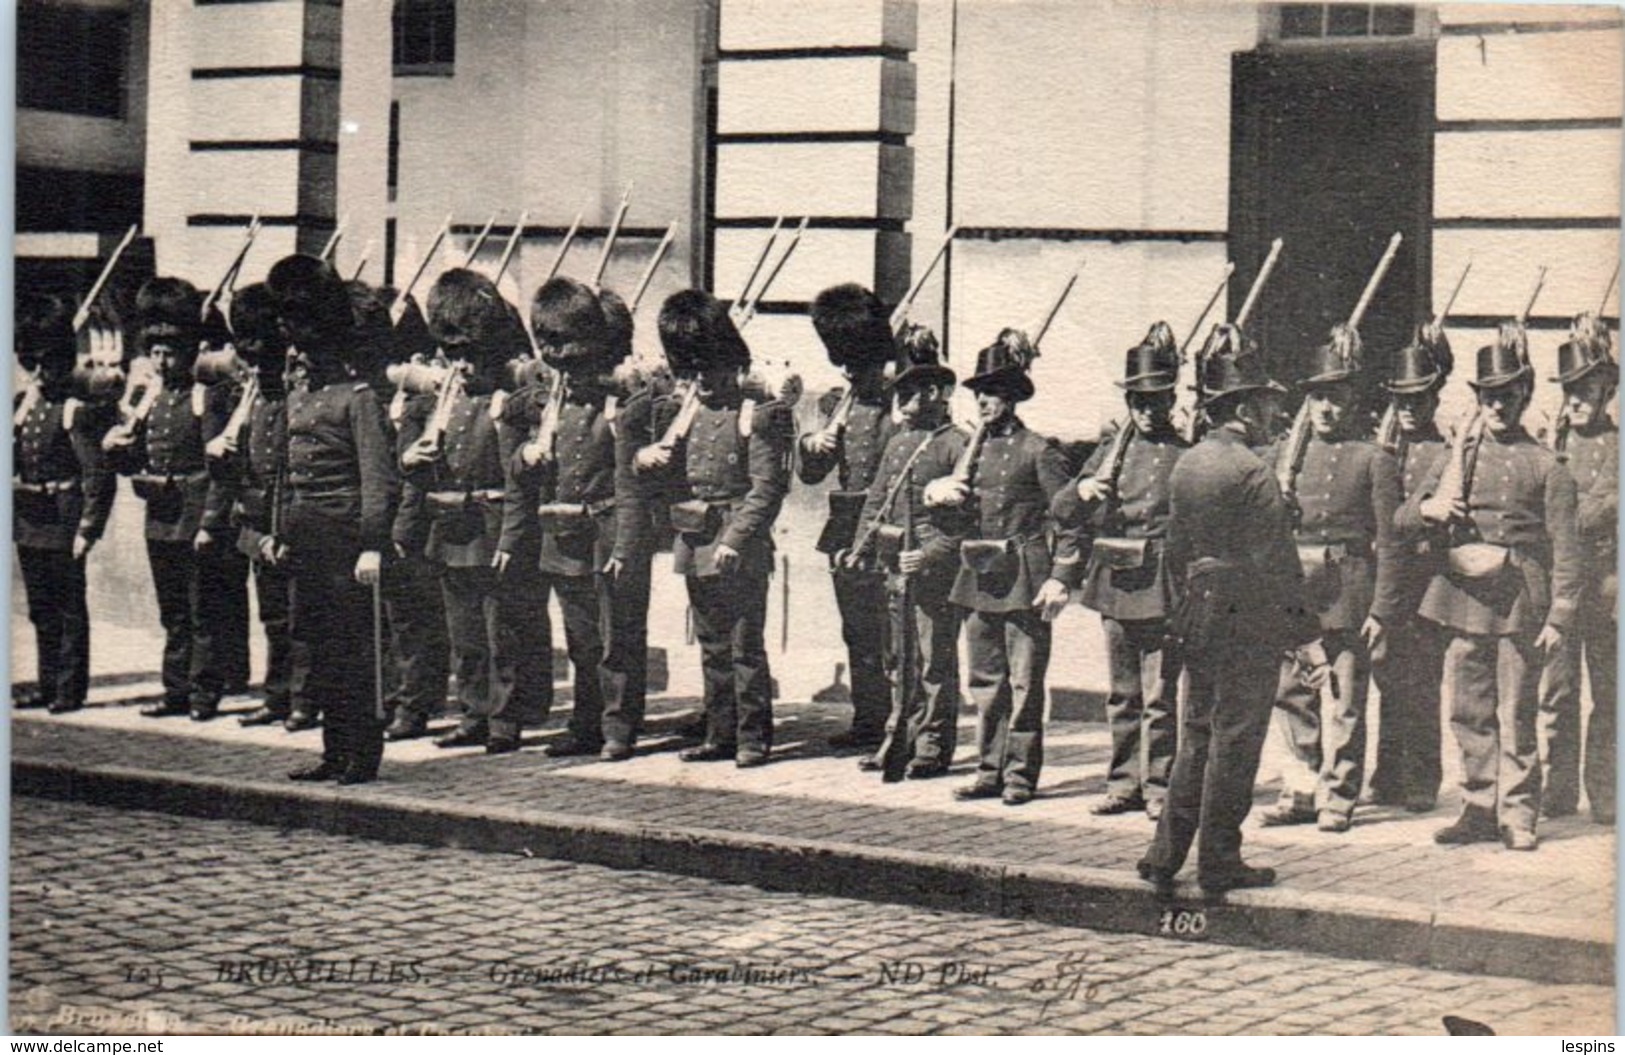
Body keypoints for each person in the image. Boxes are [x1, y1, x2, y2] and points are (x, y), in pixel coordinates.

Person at [1138, 325, 1326, 894]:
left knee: (1195, 733)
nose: (1274, 413)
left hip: (1197, 613)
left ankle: (1163, 856)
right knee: (1236, 739)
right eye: (1267, 404)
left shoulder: (1189, 463)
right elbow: (1278, 565)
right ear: (1244, 409)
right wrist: (1307, 639)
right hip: (1247, 618)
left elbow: (1174, 549)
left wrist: (1185, 607)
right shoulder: (1252, 471)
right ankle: (1220, 859)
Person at [1407, 322, 1581, 851]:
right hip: (1463, 598)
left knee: (1517, 710)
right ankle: (1479, 807)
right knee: (1467, 710)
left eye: (1507, 396)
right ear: (1478, 399)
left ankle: (1519, 813)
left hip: (1520, 600)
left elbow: (1566, 553)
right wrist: (1431, 507)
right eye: (1489, 397)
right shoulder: (1460, 454)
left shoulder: (1548, 466)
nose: (1498, 407)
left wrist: (1559, 617)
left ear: (1524, 395)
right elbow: (1409, 514)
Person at [636, 290, 793, 768]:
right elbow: (670, 479)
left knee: (746, 647)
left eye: (709, 371)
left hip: (736, 544)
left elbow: (767, 490)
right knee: (711, 645)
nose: (701, 381)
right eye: (693, 372)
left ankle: (752, 737)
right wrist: (645, 461)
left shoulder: (756, 415)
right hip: (696, 538)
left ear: (731, 368)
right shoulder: (685, 415)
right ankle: (719, 732)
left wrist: (735, 539)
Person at [922, 328, 1076, 806]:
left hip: (1025, 574)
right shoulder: (974, 451)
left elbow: (1070, 518)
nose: (983, 401)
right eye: (978, 393)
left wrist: (1060, 577)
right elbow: (956, 515)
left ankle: (1019, 776)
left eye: (991, 393)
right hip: (978, 573)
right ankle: (989, 769)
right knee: (985, 681)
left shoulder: (1039, 450)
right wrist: (939, 496)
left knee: (1025, 683)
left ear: (1011, 398)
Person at [1260, 324, 1402, 834]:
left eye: (1336, 398)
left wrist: (1382, 609)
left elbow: (1389, 542)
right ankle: (1300, 787)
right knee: (1291, 692)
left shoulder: (1374, 460)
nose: (1326, 409)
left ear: (1352, 400)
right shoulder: (1286, 456)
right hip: (1295, 589)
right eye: (1318, 398)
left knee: (1345, 698)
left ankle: (1339, 794)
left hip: (1348, 591)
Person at [397, 269, 541, 755]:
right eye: (454, 356)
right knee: (465, 633)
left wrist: (510, 540)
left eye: (471, 356)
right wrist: (412, 460)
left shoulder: (507, 402)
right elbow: (421, 473)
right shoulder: (440, 404)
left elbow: (518, 481)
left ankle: (504, 719)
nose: (462, 367)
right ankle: (473, 712)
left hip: (494, 524)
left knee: (503, 632)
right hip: (452, 527)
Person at [266, 255, 399, 784]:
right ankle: (332, 750)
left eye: (308, 349)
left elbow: (377, 478)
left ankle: (361, 755)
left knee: (354, 650)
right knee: (318, 647)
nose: (300, 357)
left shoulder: (358, 400)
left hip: (347, 539)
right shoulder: (300, 399)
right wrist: (278, 532)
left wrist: (372, 544)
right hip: (307, 539)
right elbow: (287, 472)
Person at [508, 278, 651, 760]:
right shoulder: (549, 401)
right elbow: (518, 453)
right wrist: (527, 455)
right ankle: (584, 723)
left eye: (565, 344)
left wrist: (626, 548)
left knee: (618, 638)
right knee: (581, 640)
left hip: (608, 531)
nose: (558, 358)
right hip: (564, 534)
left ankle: (618, 727)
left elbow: (629, 486)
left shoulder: (620, 404)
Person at [1050, 322, 1187, 821]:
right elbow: (1062, 510)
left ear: (1172, 399)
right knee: (1122, 695)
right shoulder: (1110, 452)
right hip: (1113, 584)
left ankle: (1159, 786)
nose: (1148, 411)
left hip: (1161, 586)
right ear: (1128, 403)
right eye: (1139, 402)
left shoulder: (1184, 452)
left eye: (1157, 400)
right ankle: (1123, 783)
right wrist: (1084, 491)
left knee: (1159, 696)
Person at [844, 323, 968, 779]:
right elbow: (877, 502)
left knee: (934, 660)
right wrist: (860, 548)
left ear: (936, 393)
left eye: (914, 392)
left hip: (933, 570)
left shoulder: (958, 444)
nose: (905, 401)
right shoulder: (897, 443)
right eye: (903, 391)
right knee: (897, 658)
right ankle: (899, 734)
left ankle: (933, 745)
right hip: (893, 565)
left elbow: (966, 524)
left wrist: (932, 556)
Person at [102, 278, 229, 720]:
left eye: (170, 350)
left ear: (190, 349)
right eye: (154, 350)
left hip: (194, 517)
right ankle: (175, 690)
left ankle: (202, 694)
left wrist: (211, 524)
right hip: (159, 515)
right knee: (172, 611)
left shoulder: (204, 396)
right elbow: (140, 457)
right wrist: (118, 449)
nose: (161, 359)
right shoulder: (148, 397)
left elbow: (219, 469)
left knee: (201, 612)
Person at [202, 283, 313, 729]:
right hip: (256, 522)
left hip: (291, 521)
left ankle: (305, 700)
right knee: (272, 616)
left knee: (299, 619)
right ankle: (278, 695)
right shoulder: (251, 396)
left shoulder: (295, 396)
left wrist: (283, 532)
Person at [798, 284, 900, 749]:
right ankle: (868, 718)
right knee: (857, 629)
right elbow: (813, 472)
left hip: (888, 522)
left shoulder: (898, 399)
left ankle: (901, 721)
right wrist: (811, 444)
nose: (856, 371)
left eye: (863, 362)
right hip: (844, 523)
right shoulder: (832, 404)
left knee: (892, 629)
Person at [13, 293, 116, 714]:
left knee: (69, 608)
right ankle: (45, 681)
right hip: (30, 519)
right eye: (33, 364)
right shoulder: (23, 407)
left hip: (63, 518)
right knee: (41, 608)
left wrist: (88, 529)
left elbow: (97, 474)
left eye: (49, 365)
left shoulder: (75, 410)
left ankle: (69, 689)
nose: (40, 373)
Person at [1367, 323, 1454, 812]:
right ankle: (1387, 775)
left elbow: (1411, 520)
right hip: (1383, 578)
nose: (1406, 408)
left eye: (1416, 399)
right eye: (1399, 399)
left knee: (1421, 684)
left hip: (1424, 582)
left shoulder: (1445, 453)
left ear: (1433, 400)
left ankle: (1421, 779)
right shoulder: (1382, 448)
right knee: (1385, 680)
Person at [1537, 313, 1616, 826]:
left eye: (1585, 388)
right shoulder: (1551, 447)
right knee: (1557, 692)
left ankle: (1606, 792)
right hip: (1560, 589)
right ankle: (1558, 789)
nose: (1576, 399)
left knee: (1609, 693)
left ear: (1607, 388)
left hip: (1609, 589)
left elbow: (1603, 508)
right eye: (1569, 389)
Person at [369, 286, 451, 741]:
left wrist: (401, 528)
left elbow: (415, 477)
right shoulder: (378, 400)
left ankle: (414, 705)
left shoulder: (425, 404)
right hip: (380, 520)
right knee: (385, 619)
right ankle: (388, 700)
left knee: (413, 623)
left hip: (415, 523)